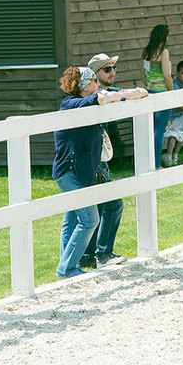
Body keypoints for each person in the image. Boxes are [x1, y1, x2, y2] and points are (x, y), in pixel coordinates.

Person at [52, 66, 147, 278]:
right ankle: (66, 269)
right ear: (85, 86)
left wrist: (129, 94)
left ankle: (66, 264)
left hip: (80, 172)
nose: (99, 84)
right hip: (70, 172)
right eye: (95, 80)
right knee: (89, 220)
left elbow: (111, 95)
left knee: (72, 218)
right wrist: (118, 95)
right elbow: (99, 99)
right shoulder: (70, 103)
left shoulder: (90, 98)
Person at [75, 53, 129, 270]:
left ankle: (87, 256)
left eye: (113, 68)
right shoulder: (95, 96)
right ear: (94, 76)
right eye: (107, 70)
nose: (112, 73)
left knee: (95, 208)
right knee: (113, 204)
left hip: (97, 160)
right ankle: (103, 254)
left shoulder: (105, 93)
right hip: (92, 161)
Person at [141, 24, 174, 169]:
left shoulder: (146, 52)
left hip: (149, 91)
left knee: (151, 129)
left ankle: (148, 162)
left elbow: (142, 74)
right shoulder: (163, 52)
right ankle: (156, 164)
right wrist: (172, 92)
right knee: (159, 130)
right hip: (162, 93)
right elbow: (167, 75)